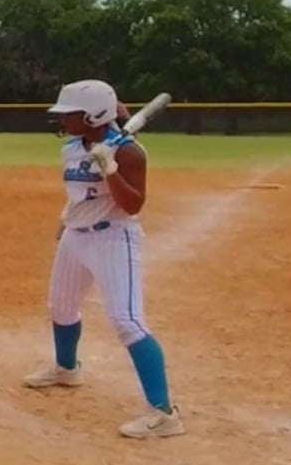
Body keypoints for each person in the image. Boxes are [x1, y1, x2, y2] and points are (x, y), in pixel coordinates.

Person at [25, 79, 183, 439]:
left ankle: (164, 414)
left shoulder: (129, 153)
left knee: (128, 321)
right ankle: (67, 369)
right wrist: (66, 220)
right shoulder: (72, 148)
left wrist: (110, 170)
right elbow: (80, 193)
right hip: (75, 235)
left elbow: (133, 204)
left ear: (93, 115)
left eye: (69, 114)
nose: (62, 120)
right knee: (61, 307)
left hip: (113, 237)